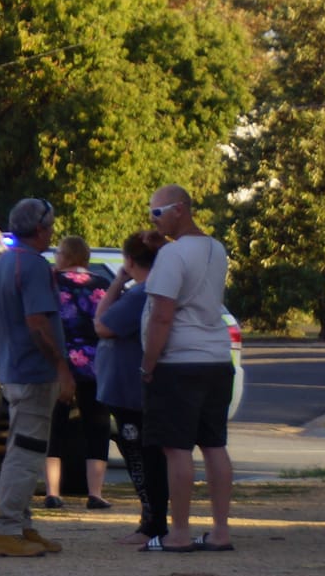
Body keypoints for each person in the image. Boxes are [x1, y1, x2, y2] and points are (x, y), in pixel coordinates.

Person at [142, 184, 237, 552]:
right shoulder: (216, 248)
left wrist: (148, 363)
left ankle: (178, 532)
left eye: (157, 212)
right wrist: (164, 248)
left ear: (179, 209)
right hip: (216, 356)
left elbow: (162, 315)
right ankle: (221, 530)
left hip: (179, 361)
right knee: (214, 445)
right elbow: (193, 273)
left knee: (176, 448)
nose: (154, 219)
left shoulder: (172, 257)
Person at [0, 198, 74, 557]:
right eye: (50, 226)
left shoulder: (4, 262)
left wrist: (5, 349)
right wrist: (62, 368)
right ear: (40, 229)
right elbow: (38, 324)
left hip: (14, 370)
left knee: (24, 448)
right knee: (26, 452)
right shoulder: (34, 266)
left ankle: (21, 525)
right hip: (35, 374)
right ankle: (6, 529)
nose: (52, 232)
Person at [96, 230, 169, 548]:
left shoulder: (141, 294)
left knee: (141, 459)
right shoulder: (155, 290)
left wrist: (116, 282)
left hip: (130, 392)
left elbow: (101, 324)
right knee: (147, 457)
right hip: (132, 389)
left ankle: (151, 523)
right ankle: (153, 520)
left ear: (129, 260)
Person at [44, 235, 112, 510]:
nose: (56, 257)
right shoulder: (102, 284)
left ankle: (53, 492)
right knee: (97, 427)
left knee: (54, 426)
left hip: (58, 362)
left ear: (67, 256)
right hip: (95, 364)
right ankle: (95, 493)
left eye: (59, 252)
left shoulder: (52, 282)